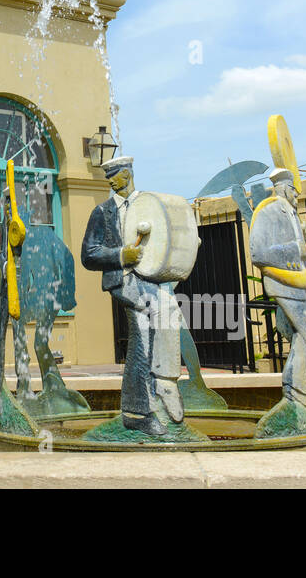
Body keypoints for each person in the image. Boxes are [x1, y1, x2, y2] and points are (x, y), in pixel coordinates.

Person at [80, 156, 184, 434]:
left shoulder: (148, 205)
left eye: (116, 174)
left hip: (153, 280)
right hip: (125, 281)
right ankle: (138, 413)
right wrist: (120, 255)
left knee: (171, 317)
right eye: (108, 176)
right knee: (141, 335)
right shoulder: (102, 213)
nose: (111, 180)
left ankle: (166, 382)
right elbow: (88, 255)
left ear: (128, 174)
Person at [250, 167, 306, 420]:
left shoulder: (293, 215)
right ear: (284, 188)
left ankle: (294, 390)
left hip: (301, 285)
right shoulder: (268, 211)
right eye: (294, 192)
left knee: (297, 335)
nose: (297, 197)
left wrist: (303, 238)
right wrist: (295, 246)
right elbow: (258, 253)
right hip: (284, 284)